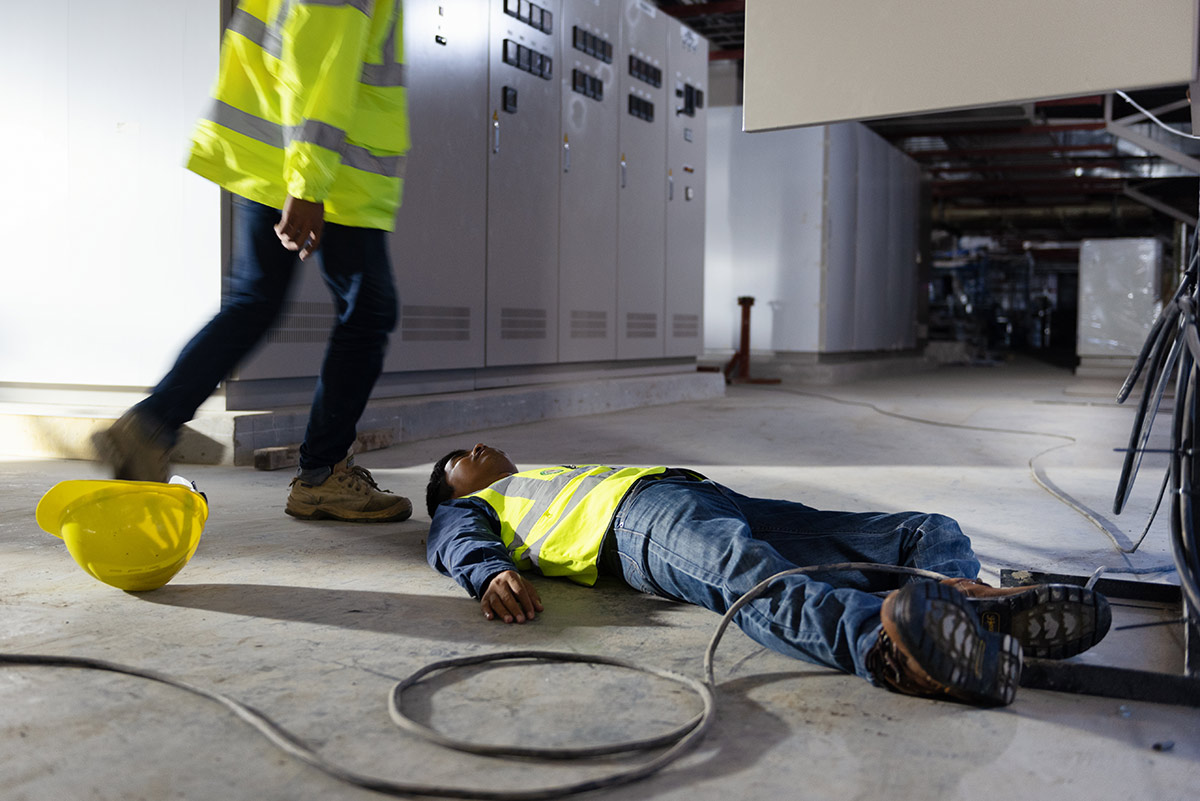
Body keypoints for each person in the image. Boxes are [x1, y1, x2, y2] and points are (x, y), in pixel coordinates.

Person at [424, 444, 1113, 707]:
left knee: (918, 531)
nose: (474, 448)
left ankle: (964, 599)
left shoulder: (549, 466)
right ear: (454, 489)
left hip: (701, 492)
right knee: (747, 573)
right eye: (458, 458)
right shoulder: (476, 508)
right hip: (632, 527)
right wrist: (486, 574)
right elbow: (453, 539)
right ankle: (889, 645)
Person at [99, 0, 412, 523]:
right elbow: (321, 61)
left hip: (274, 152)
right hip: (328, 170)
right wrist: (309, 184)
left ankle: (150, 425)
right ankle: (323, 474)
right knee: (369, 309)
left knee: (256, 298)